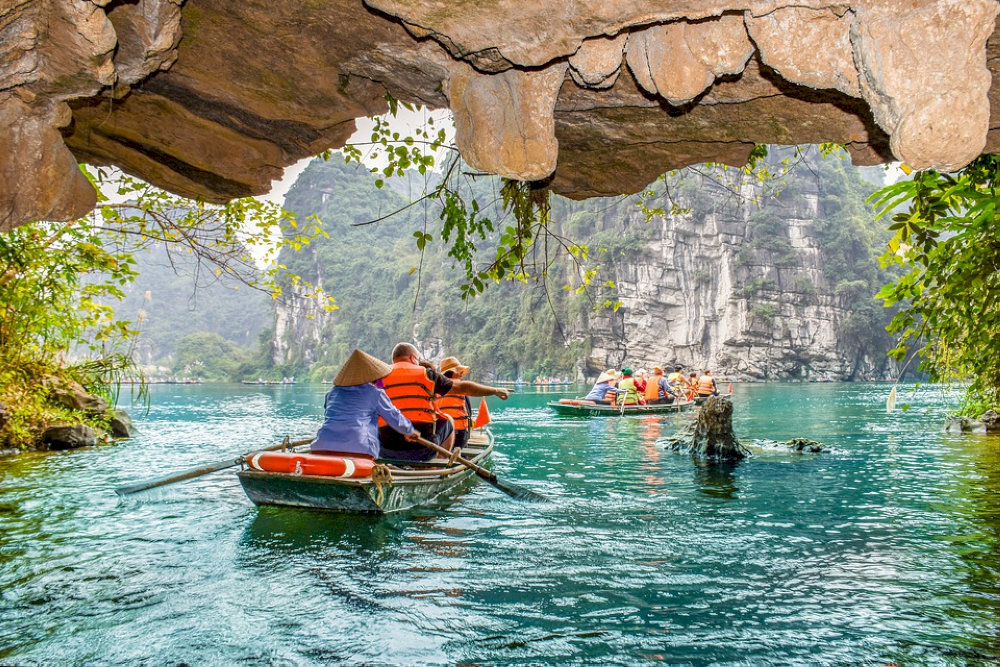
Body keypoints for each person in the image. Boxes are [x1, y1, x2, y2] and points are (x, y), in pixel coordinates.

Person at [378, 342, 509, 462]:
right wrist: (495, 390)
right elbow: (463, 388)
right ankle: (439, 463)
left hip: (385, 450)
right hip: (423, 450)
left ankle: (388, 464)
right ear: (413, 358)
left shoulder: (379, 378)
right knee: (448, 420)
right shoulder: (427, 375)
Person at [311, 349, 420, 459]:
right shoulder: (375, 393)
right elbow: (394, 417)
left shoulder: (331, 393)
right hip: (359, 450)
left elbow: (330, 417)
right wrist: (409, 431)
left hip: (320, 447)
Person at [437, 355, 473, 451]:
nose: (461, 375)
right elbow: (469, 413)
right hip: (459, 435)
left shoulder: (435, 388)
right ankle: (461, 450)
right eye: (460, 372)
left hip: (440, 435)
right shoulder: (461, 388)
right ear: (454, 373)